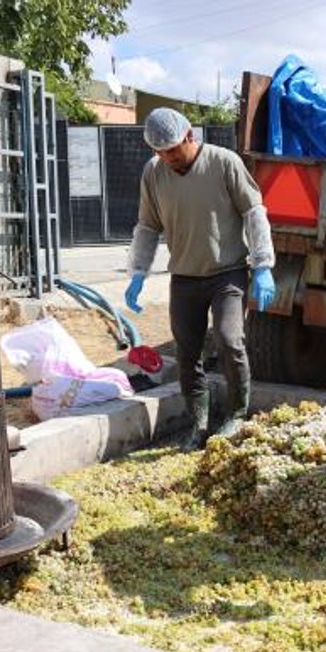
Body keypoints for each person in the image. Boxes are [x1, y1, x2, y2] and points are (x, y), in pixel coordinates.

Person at [125, 107, 276, 451]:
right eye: (160, 152)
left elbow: (254, 212)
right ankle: (200, 422)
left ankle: (237, 413)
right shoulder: (153, 173)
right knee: (187, 352)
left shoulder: (224, 163)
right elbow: (147, 226)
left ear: (189, 136)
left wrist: (263, 264)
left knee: (229, 339)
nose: (168, 158)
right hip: (185, 277)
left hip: (228, 273)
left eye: (173, 150)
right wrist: (138, 272)